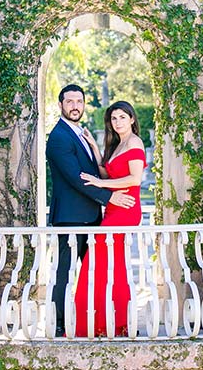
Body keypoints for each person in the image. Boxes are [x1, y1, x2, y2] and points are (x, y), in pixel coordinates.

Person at [45, 85, 136, 337]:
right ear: (60, 105)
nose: (75, 106)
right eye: (70, 101)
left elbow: (94, 172)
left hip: (92, 218)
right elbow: (76, 178)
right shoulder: (60, 137)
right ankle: (60, 324)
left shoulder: (79, 134)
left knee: (95, 273)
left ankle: (97, 321)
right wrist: (109, 196)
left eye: (79, 101)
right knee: (65, 271)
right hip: (70, 219)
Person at [74, 100, 146, 337]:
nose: (117, 122)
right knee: (105, 266)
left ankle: (117, 323)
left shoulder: (135, 142)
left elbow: (135, 179)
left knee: (103, 263)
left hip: (126, 208)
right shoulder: (117, 144)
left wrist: (101, 184)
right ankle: (99, 323)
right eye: (114, 118)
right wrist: (95, 149)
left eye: (122, 118)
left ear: (132, 119)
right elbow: (108, 171)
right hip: (113, 210)